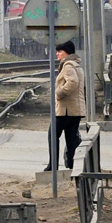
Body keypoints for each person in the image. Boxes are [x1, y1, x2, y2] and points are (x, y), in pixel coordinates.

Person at [46, 39, 86, 171]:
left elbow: (72, 82)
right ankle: (73, 167)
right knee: (71, 138)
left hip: (66, 110)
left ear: (67, 53)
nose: (57, 54)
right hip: (76, 110)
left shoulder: (68, 65)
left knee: (52, 135)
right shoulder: (77, 65)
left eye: (60, 51)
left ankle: (53, 166)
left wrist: (59, 93)